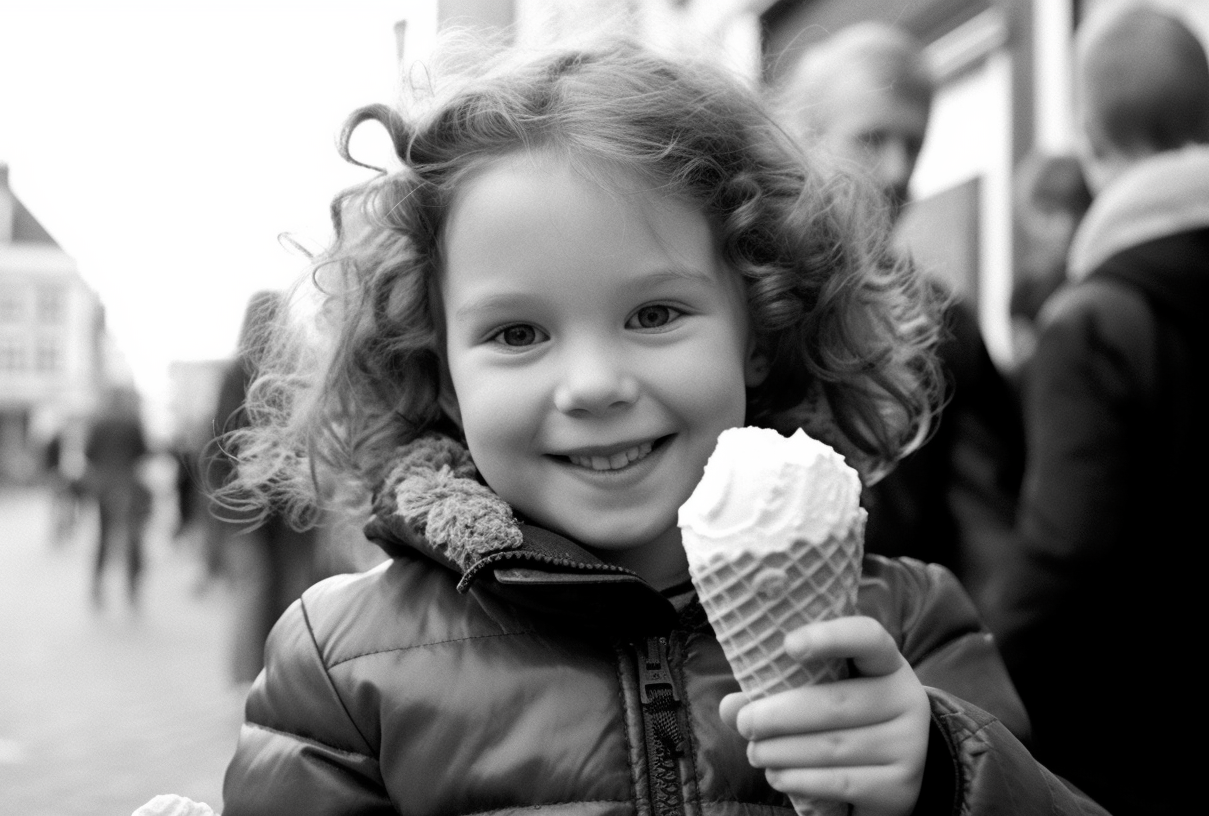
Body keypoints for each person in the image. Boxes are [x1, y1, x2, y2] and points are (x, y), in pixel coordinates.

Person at [201, 41, 1103, 816]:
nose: (593, 384)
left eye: (655, 314)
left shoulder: (906, 625)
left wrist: (946, 776)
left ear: (759, 328)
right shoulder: (344, 665)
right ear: (441, 368)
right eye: (518, 334)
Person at [990, 6, 1209, 813]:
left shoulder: (1093, 322)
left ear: (1088, 140)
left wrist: (970, 683)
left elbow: (1063, 555)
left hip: (1143, 747)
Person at [781, 23, 1026, 608]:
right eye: (871, 139)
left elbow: (988, 545)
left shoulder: (943, 323)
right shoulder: (745, 298)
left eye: (913, 145)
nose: (897, 171)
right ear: (802, 140)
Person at [202, 290, 330, 682]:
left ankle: (254, 678)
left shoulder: (240, 371)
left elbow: (217, 443)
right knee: (283, 587)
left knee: (260, 587)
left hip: (253, 500)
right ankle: (280, 675)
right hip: (286, 498)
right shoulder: (292, 368)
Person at [1008, 151, 1092, 375]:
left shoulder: (1101, 275)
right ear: (1027, 218)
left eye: (1076, 210)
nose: (1065, 227)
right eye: (1048, 213)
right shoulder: (1027, 291)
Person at [83, 386, 151, 608]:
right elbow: (143, 451)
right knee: (132, 537)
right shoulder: (132, 422)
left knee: (104, 536)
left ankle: (97, 585)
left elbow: (88, 452)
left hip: (104, 485)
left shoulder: (99, 422)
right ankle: (132, 587)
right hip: (128, 484)